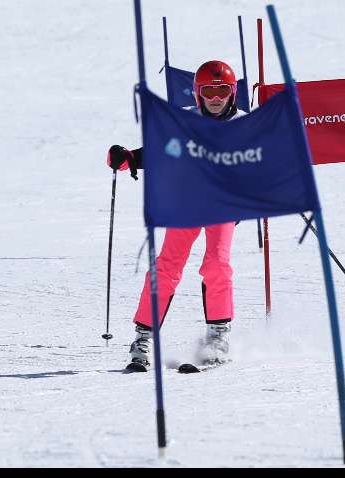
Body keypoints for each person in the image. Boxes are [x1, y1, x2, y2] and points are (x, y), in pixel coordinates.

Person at [107, 61, 245, 371]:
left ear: (232, 93)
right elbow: (159, 151)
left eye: (222, 90)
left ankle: (217, 338)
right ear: (198, 93)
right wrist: (127, 158)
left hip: (224, 204)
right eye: (209, 90)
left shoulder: (246, 124)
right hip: (187, 204)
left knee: (217, 264)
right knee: (166, 267)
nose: (216, 97)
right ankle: (143, 339)